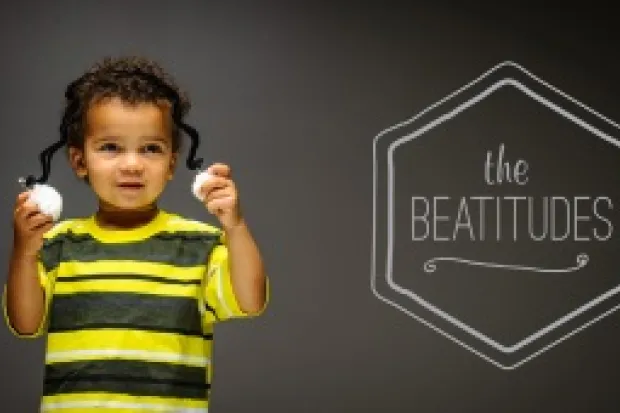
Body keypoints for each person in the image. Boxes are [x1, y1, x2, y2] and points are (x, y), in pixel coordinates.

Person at [3, 55, 269, 412]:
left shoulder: (197, 244)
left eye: (150, 149)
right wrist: (24, 252)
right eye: (110, 147)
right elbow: (24, 323)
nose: (132, 164)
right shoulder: (59, 244)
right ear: (80, 161)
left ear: (172, 163)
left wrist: (235, 226)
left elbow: (250, 301)